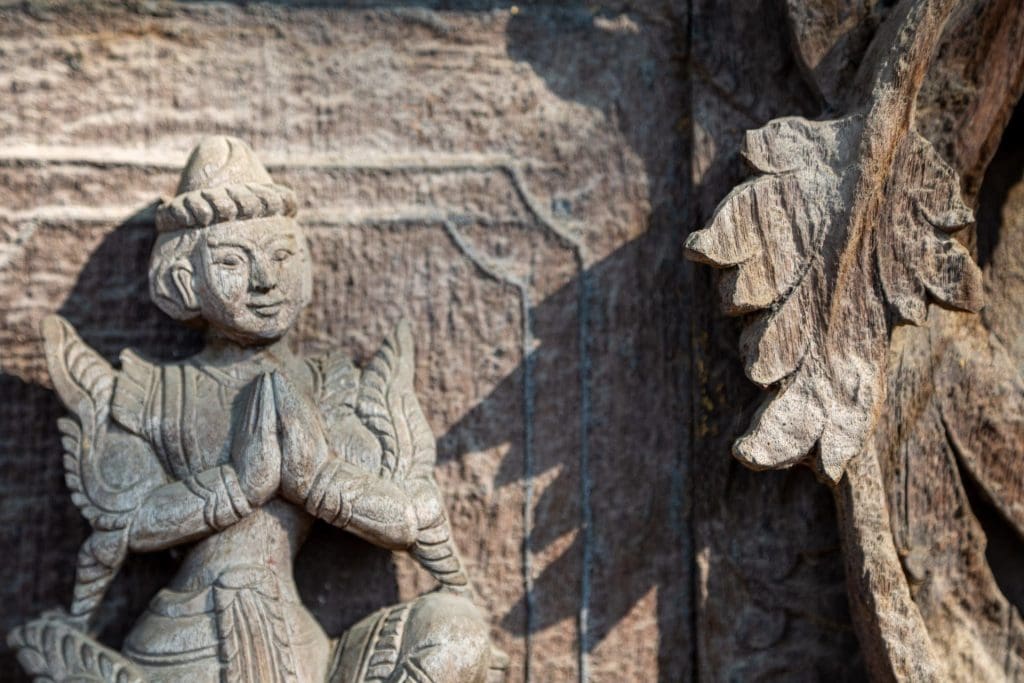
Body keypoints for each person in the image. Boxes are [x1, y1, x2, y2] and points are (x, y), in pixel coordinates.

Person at [10, 137, 501, 683]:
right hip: (187, 645)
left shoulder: (327, 385)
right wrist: (237, 486)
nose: (264, 280)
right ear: (183, 278)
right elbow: (126, 523)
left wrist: (317, 479)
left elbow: (408, 516)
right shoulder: (155, 393)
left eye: (281, 256)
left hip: (306, 649)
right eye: (231, 261)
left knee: (455, 631)